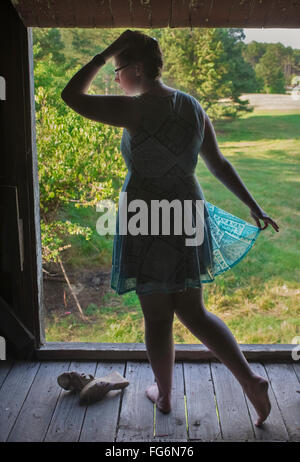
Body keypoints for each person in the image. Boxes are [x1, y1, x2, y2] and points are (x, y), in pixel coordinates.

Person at [61, 29, 280, 427]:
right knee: (194, 311)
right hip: (187, 210)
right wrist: (254, 206)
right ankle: (250, 380)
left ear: (137, 69)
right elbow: (218, 164)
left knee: (159, 317)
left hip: (149, 217)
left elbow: (71, 95)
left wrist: (105, 50)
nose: (115, 77)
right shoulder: (192, 106)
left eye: (118, 68)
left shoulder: (136, 109)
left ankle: (163, 396)